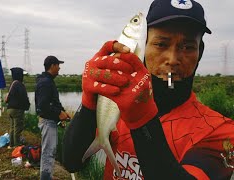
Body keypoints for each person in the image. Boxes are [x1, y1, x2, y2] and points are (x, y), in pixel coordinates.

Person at [63, 0, 234, 179]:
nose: (173, 59)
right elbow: (71, 161)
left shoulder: (221, 131)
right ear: (143, 47)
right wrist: (89, 104)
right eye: (161, 44)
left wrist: (141, 119)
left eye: (188, 47)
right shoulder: (117, 106)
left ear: (200, 52)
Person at [35, 55, 71, 180]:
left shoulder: (48, 80)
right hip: (47, 122)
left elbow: (53, 102)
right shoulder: (45, 82)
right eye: (58, 65)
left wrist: (63, 112)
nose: (59, 68)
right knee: (48, 151)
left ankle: (48, 176)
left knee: (50, 150)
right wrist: (58, 113)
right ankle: (45, 178)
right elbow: (43, 106)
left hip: (50, 121)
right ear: (52, 66)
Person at [5, 67, 30, 148]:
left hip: (10, 109)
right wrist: (27, 106)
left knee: (12, 127)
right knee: (17, 128)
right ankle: (17, 146)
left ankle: (11, 145)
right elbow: (24, 97)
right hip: (17, 110)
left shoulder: (12, 84)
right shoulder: (19, 84)